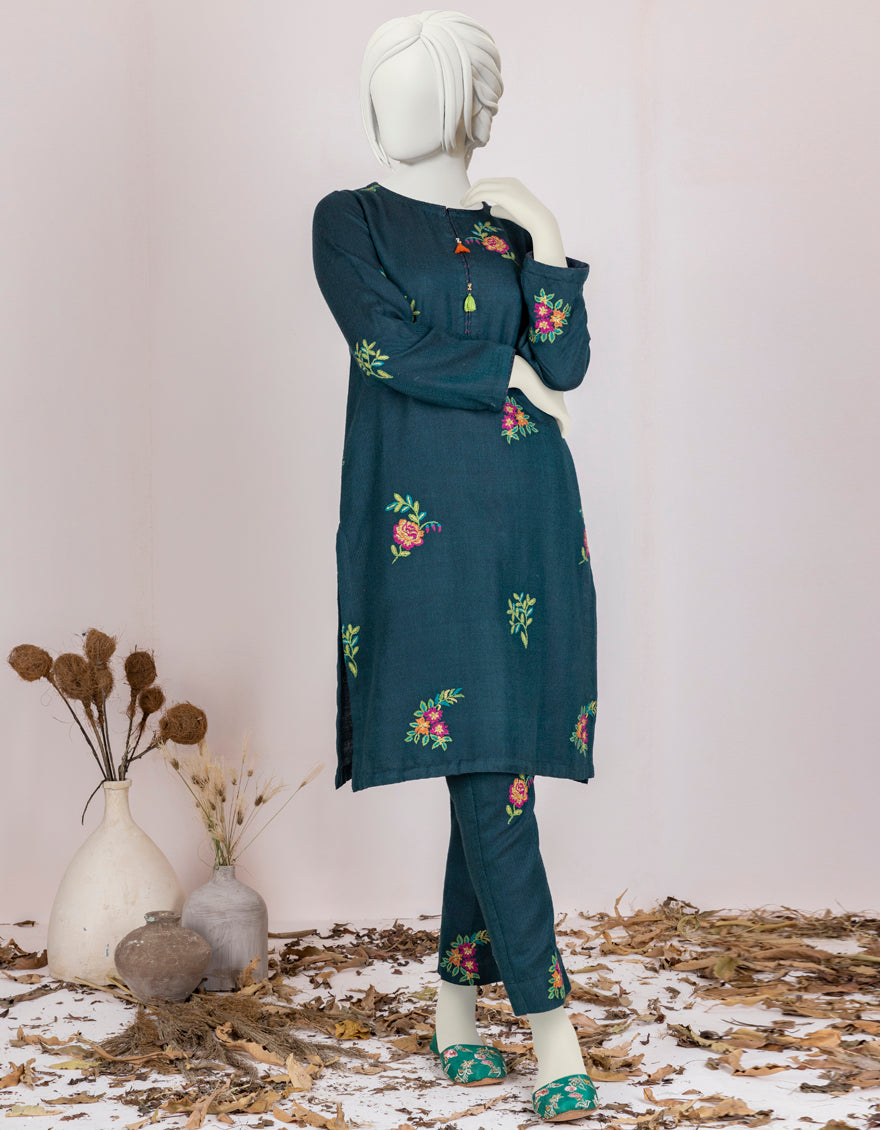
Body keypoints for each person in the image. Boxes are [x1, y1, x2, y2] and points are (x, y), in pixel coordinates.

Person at [311, 9, 599, 1121]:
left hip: (527, 520)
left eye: (413, 80)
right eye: (381, 79)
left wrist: (549, 237)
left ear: (461, 103)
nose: (390, 100)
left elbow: (565, 360)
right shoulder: (352, 219)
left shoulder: (508, 230)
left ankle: (454, 1011)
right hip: (422, 533)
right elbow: (383, 343)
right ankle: (554, 1032)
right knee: (491, 774)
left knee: (493, 761)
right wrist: (507, 378)